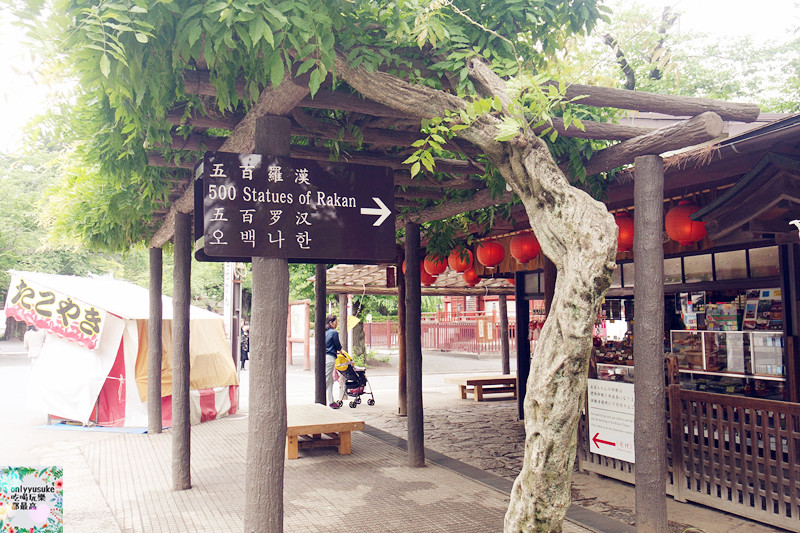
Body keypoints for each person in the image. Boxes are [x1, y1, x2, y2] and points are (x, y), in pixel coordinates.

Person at [325, 315, 342, 408]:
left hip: (324, 357)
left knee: (330, 380)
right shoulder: (334, 332)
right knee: (327, 379)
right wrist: (340, 350)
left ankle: (331, 401)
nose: (336, 324)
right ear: (331, 323)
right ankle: (321, 397)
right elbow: (337, 345)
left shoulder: (325, 332)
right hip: (330, 358)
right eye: (335, 322)